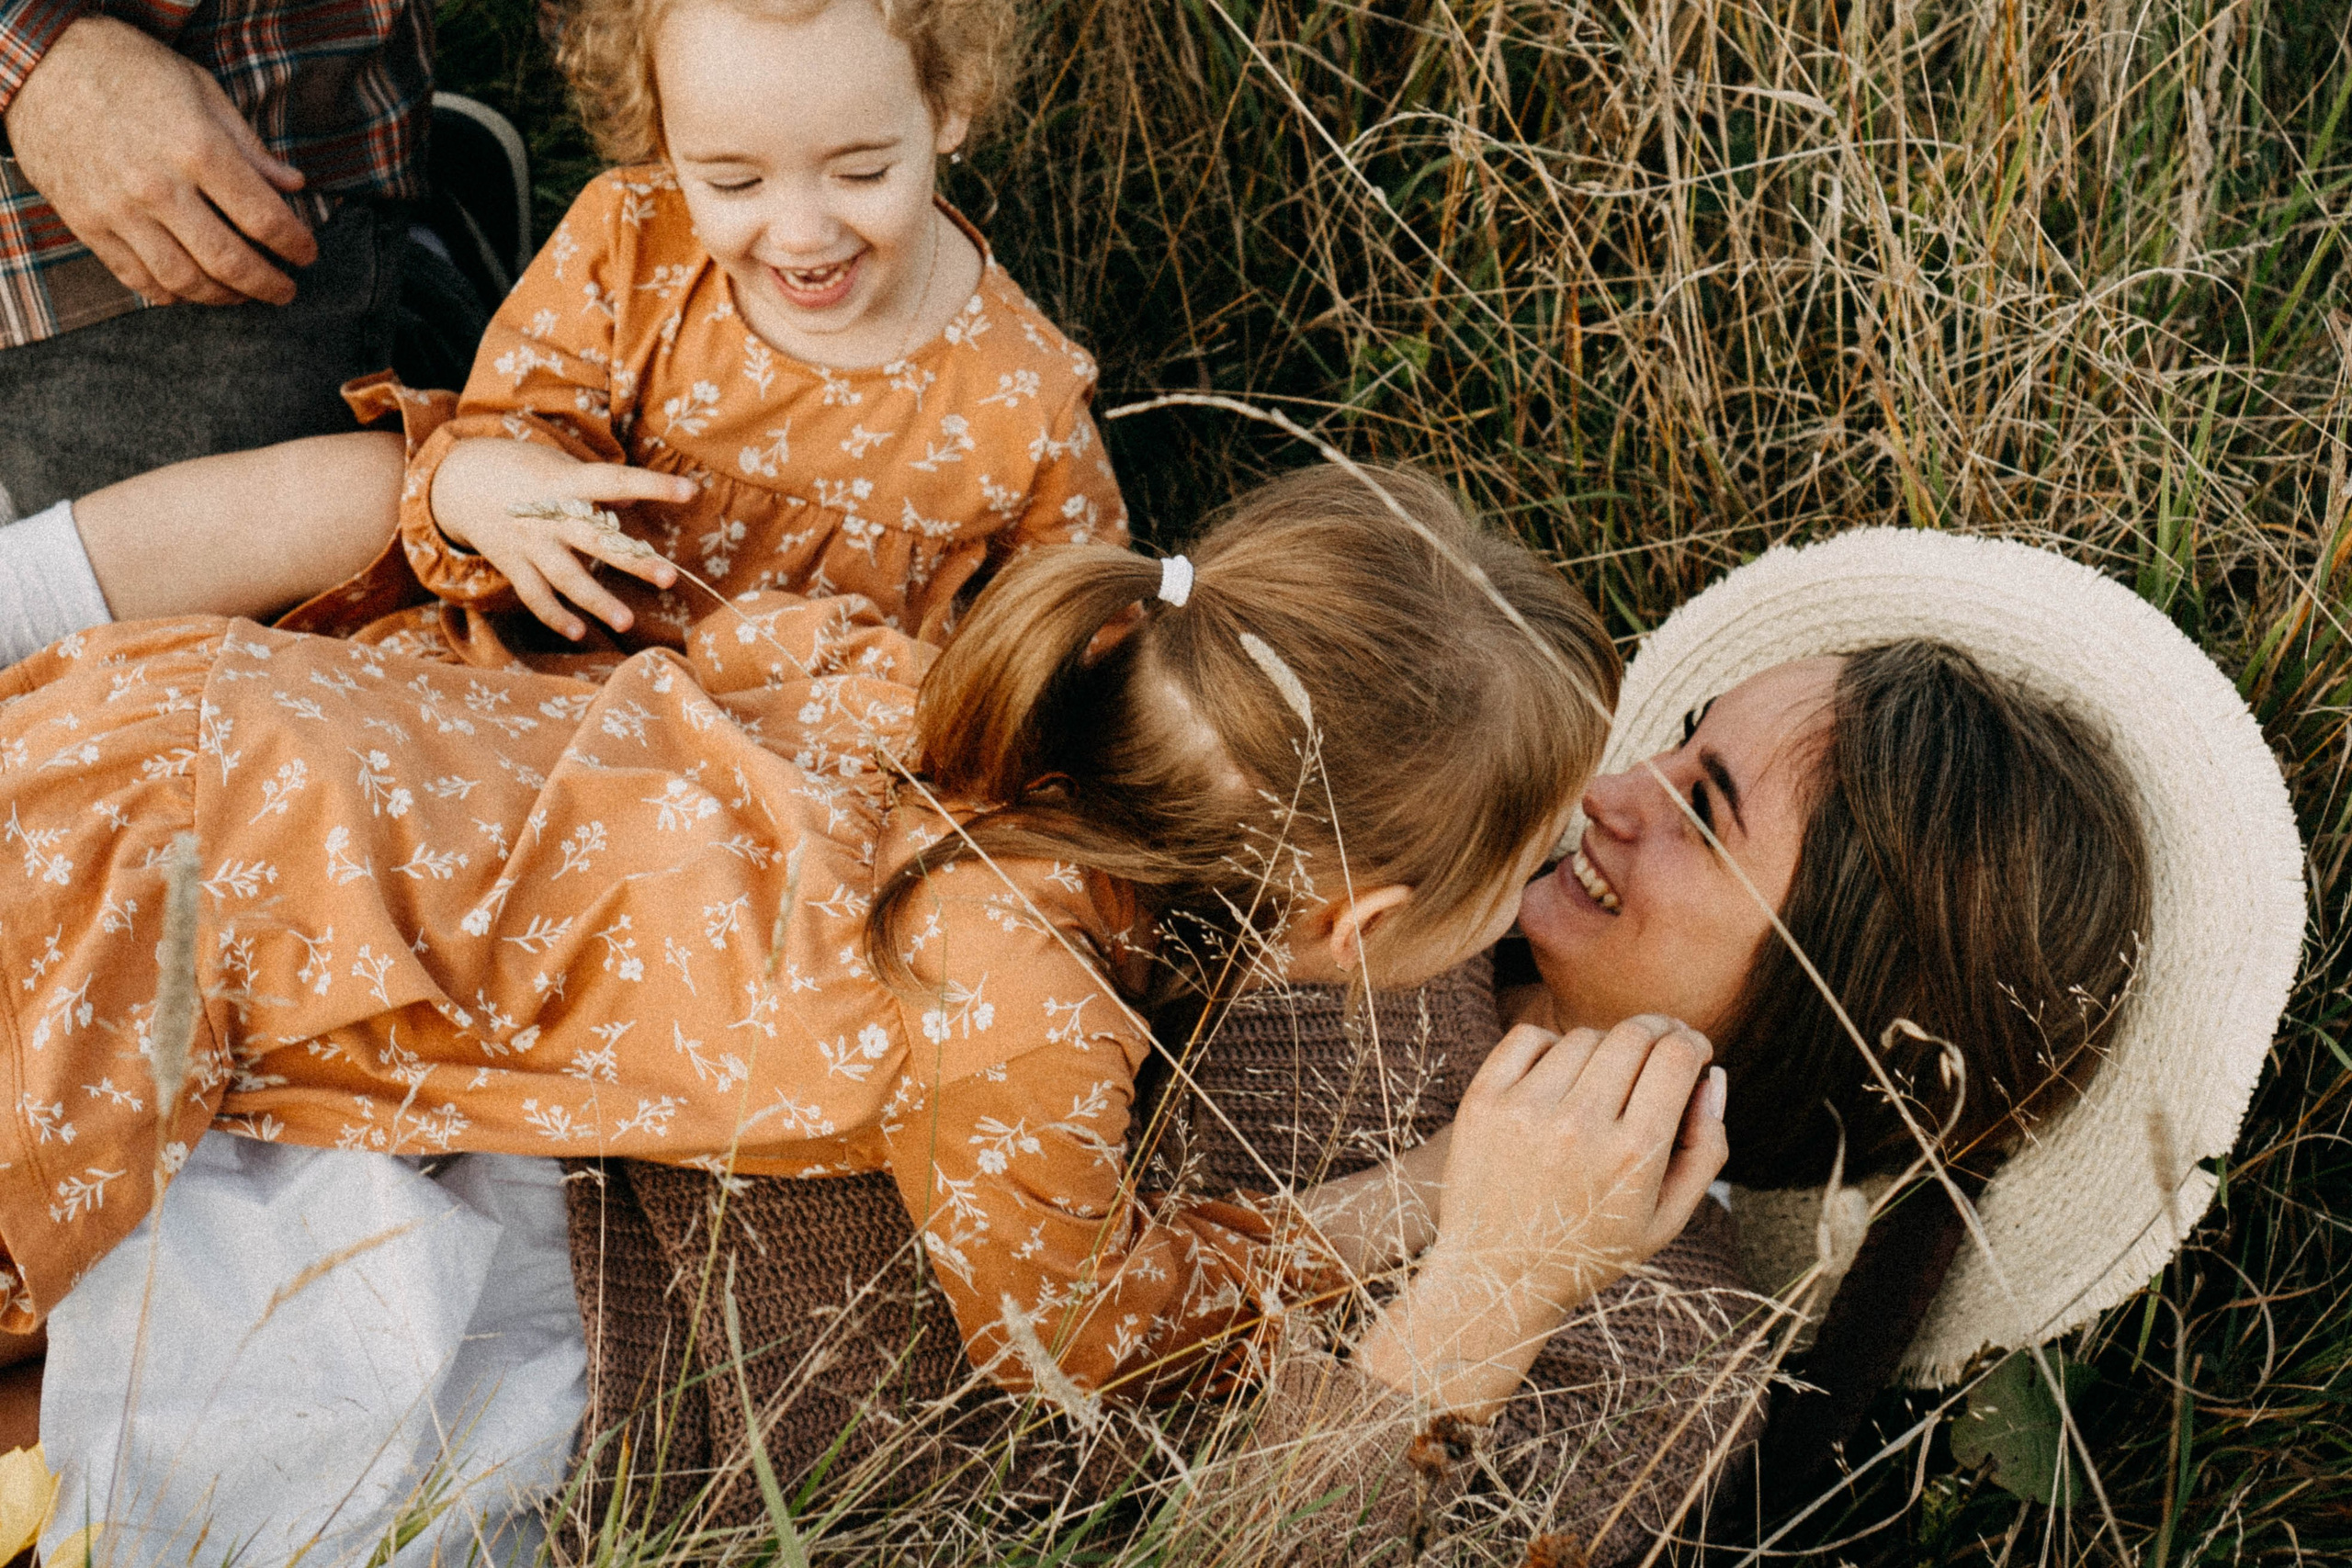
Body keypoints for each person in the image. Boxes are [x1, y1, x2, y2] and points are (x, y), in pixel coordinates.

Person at [6, 465, 1719, 1556]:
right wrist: (1406, 1215)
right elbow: (1065, 1337)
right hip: (160, 921)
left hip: (199, 731)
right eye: (1532, 855)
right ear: (1354, 921)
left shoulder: (948, 687)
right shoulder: (1029, 1010)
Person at [551, 527, 2303, 1562]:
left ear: (1841, 984)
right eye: (1680, 737)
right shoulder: (1414, 820)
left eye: (1702, 803)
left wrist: (1493, 1277)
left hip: (601, 1410)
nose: (1613, 788)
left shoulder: (1657, 1348)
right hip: (568, 1076)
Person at [290, 0, 1128, 677]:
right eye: (733, 180)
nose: (800, 234)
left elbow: (1086, 646)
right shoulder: (630, 252)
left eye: (861, 171)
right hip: (575, 701)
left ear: (949, 108)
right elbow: (504, 434)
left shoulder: (1024, 402)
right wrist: (485, 487)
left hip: (816, 784)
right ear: (662, 137)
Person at [0, 1, 429, 510]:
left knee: (338, 525)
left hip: (165, 234)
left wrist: (30, 53)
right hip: (109, 175)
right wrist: (27, 56)